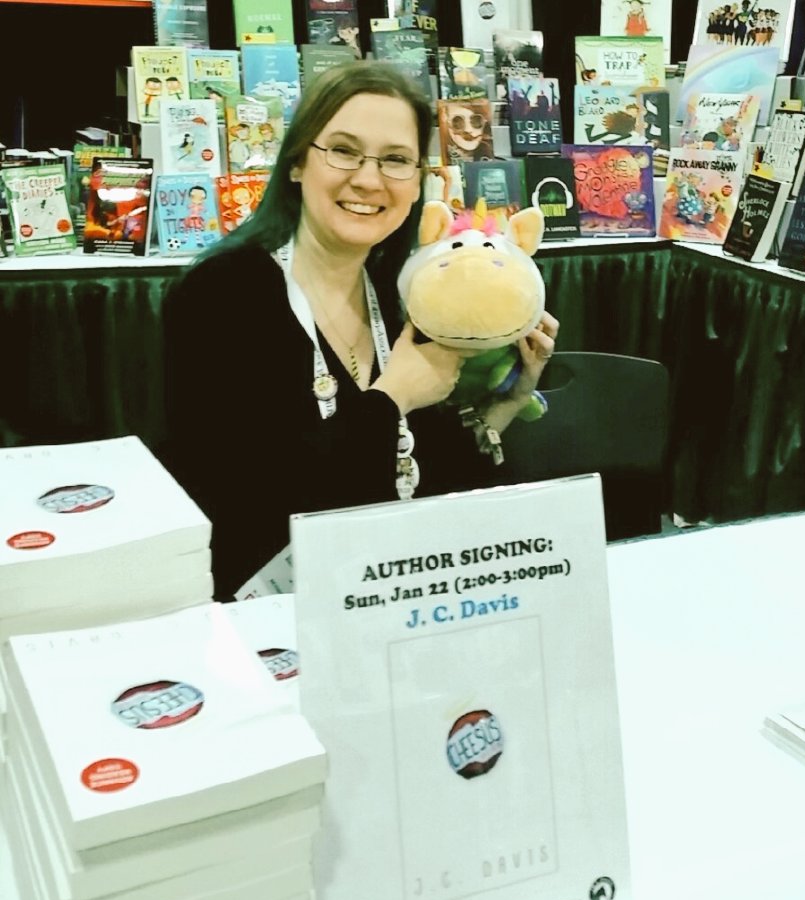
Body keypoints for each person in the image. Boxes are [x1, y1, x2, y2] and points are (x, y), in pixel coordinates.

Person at [162, 62, 557, 599]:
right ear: (298, 162)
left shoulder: (403, 292)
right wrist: (392, 397)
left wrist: (507, 402)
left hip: (389, 596)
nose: (369, 180)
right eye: (344, 151)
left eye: (396, 160)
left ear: (417, 181)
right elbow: (251, 505)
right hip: (269, 615)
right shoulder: (220, 295)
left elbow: (419, 472)